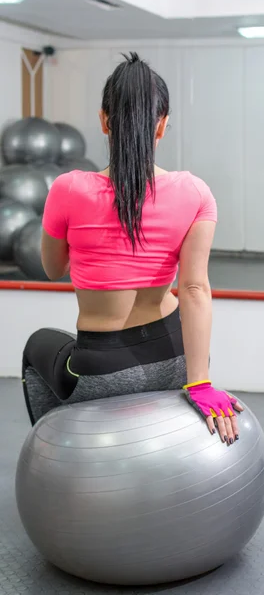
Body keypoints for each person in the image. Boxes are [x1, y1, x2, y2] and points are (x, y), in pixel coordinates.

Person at [22, 52, 243, 444]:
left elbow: (53, 267)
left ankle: (55, 452)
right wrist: (200, 382)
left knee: (38, 344)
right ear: (162, 125)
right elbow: (194, 289)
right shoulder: (195, 191)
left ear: (104, 121)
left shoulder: (67, 188)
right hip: (177, 358)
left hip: (102, 370)